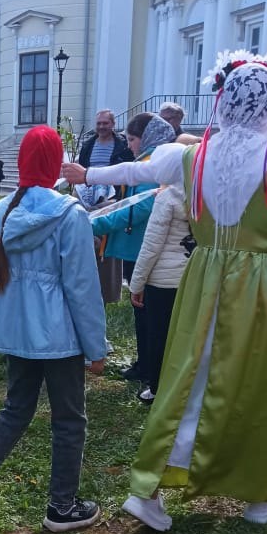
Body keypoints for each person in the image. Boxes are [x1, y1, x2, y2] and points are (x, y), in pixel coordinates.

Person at [66, 56, 267, 531]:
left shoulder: (190, 156)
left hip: (202, 279)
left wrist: (86, 176)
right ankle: (257, 494)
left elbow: (136, 171)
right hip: (264, 290)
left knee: (190, 376)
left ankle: (150, 488)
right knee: (259, 383)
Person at [0, 125, 107, 532]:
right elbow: (83, 287)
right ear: (57, 162)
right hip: (59, 338)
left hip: (17, 331)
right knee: (70, 419)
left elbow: (0, 267)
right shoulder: (71, 214)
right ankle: (62, 506)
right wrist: (96, 347)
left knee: (16, 409)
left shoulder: (3, 210)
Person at [83, 113, 177, 387]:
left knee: (149, 311)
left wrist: (94, 222)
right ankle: (143, 362)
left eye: (133, 139)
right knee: (141, 310)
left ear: (145, 138)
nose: (131, 145)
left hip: (146, 249)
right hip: (138, 248)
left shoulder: (154, 164)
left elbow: (137, 209)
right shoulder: (151, 160)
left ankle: (151, 370)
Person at [127, 175, 194, 403]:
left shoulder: (168, 196)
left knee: (159, 335)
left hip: (163, 280)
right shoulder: (208, 195)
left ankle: (156, 387)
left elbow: (151, 246)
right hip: (194, 274)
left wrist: (137, 283)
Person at [78, 108, 134, 308]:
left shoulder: (122, 146)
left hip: (113, 199)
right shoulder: (88, 145)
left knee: (107, 243)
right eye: (99, 123)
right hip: (89, 198)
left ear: (113, 124)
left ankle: (108, 289)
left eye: (105, 123)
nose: (101, 127)